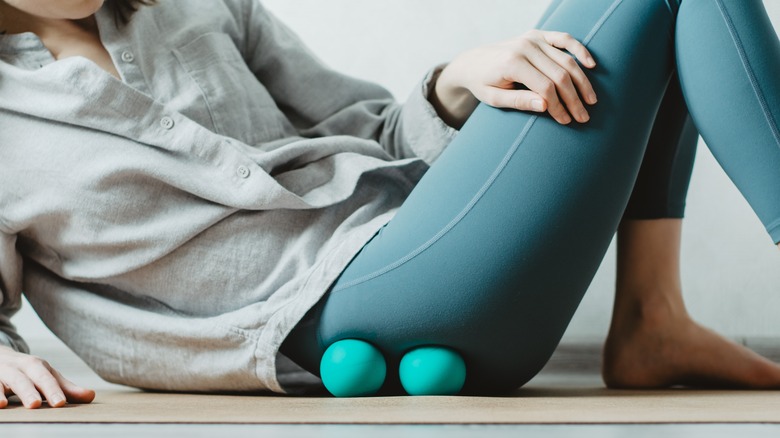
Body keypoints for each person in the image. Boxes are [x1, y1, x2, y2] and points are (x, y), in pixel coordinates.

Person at [1, 0, 780, 407]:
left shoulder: (198, 4)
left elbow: (371, 132)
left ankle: (652, 320)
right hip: (315, 314)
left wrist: (455, 81)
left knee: (654, 25)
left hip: (416, 233)